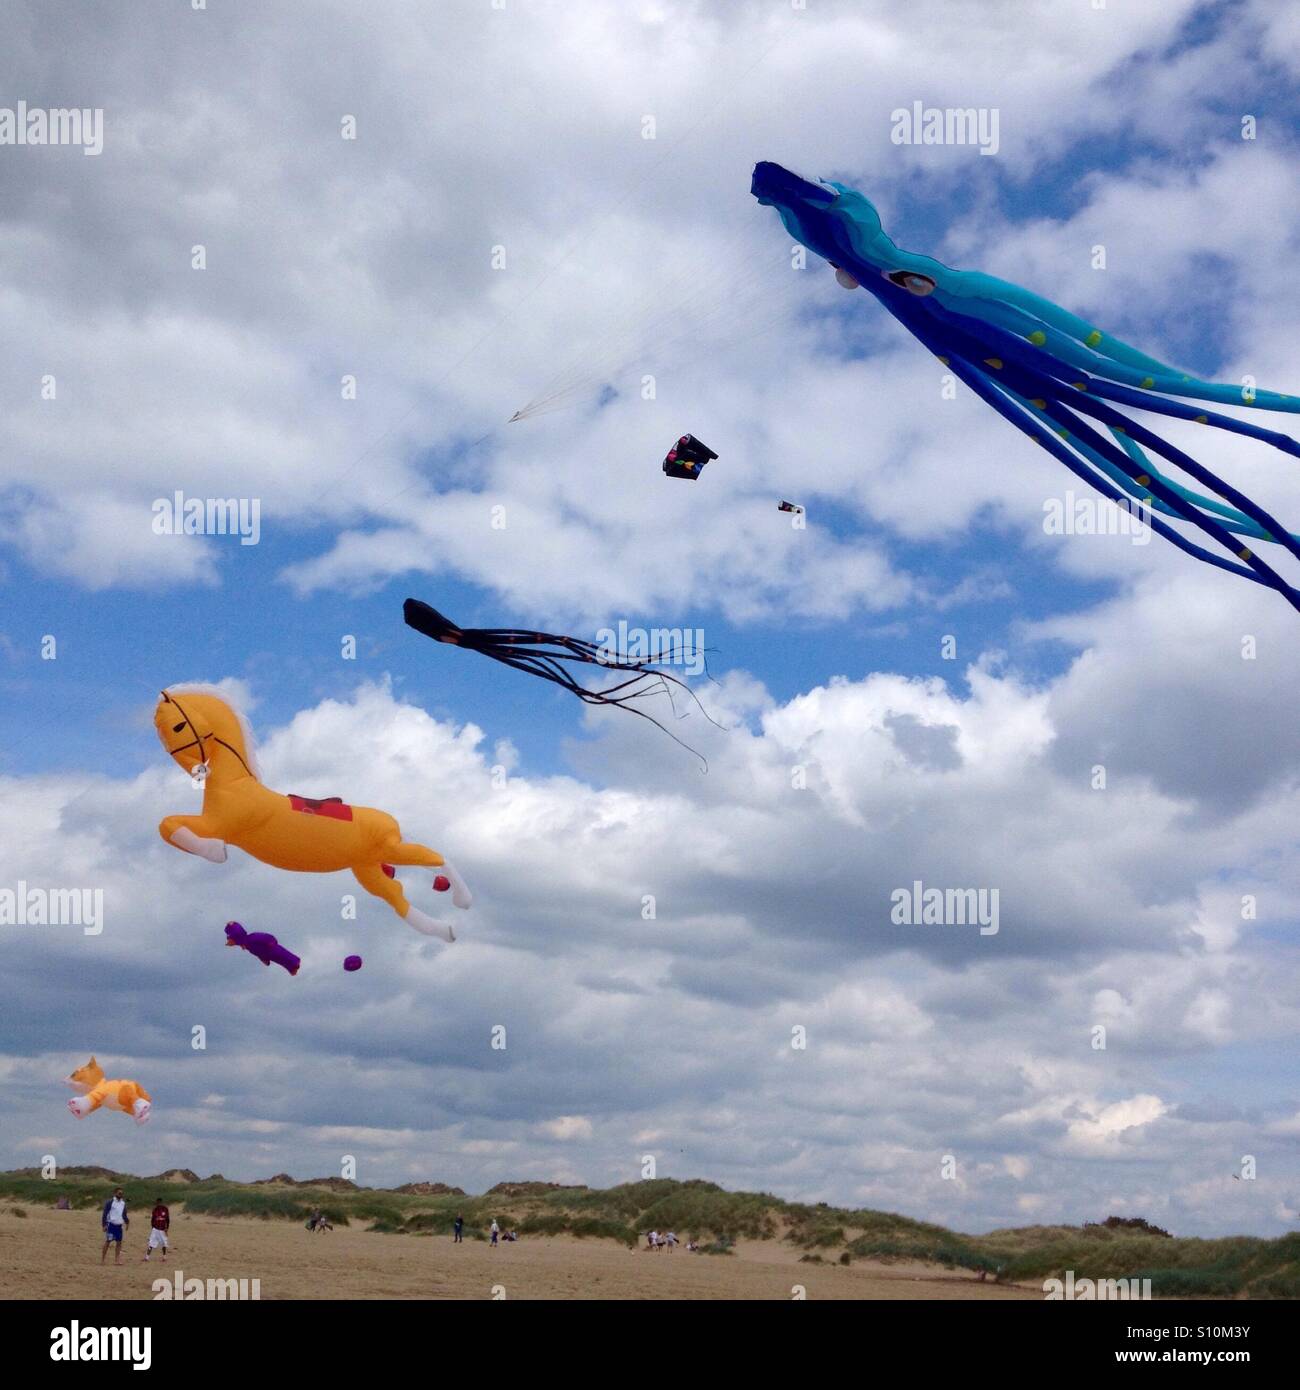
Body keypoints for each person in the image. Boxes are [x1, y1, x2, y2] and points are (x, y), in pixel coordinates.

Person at [101, 1187, 128, 1265]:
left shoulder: (123, 1203)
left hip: (119, 1226)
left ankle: (117, 1260)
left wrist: (127, 1222)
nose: (121, 1195)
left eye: (122, 1193)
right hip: (111, 1225)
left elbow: (124, 1214)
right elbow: (105, 1214)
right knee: (108, 1241)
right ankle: (103, 1259)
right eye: (119, 1193)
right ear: (115, 1193)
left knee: (119, 1243)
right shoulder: (110, 1202)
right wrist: (104, 1225)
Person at [143, 1196, 170, 1262]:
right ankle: (146, 1257)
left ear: (161, 1202)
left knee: (164, 1243)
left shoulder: (165, 1209)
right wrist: (153, 1228)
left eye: (160, 1203)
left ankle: (164, 1257)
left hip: (162, 1230)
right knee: (151, 1243)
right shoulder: (155, 1210)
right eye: (157, 1203)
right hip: (155, 1229)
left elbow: (168, 1220)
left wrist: (167, 1228)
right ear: (156, 1203)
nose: (159, 1204)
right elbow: (152, 1220)